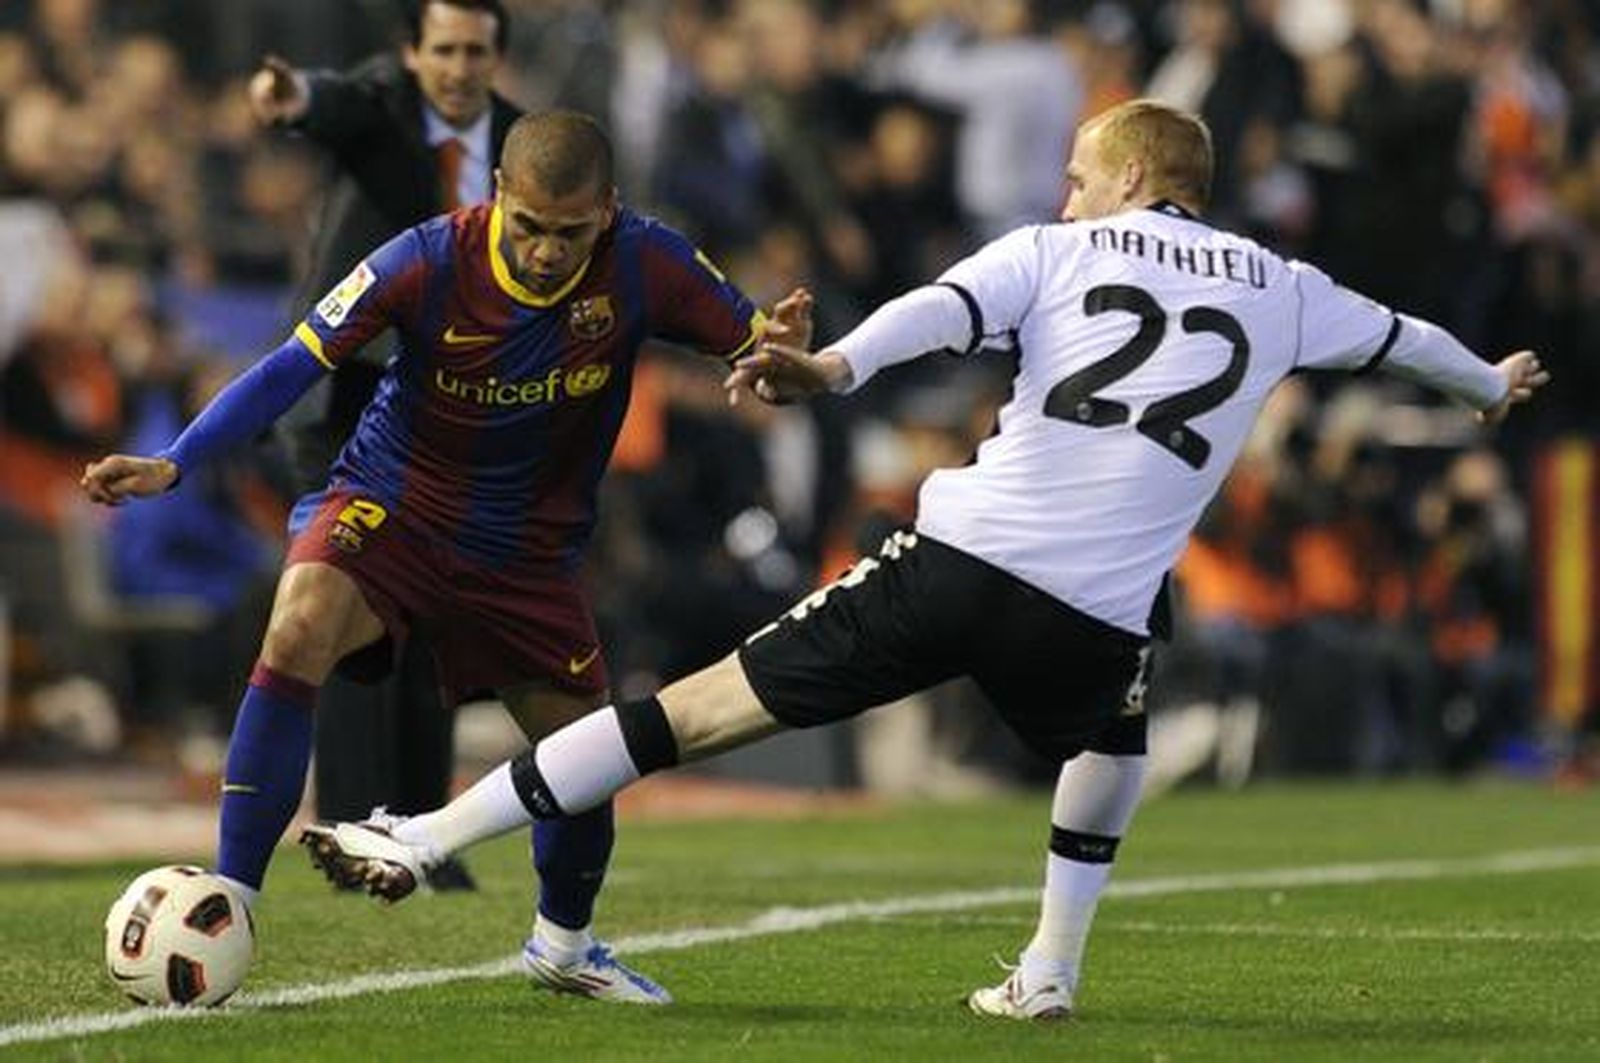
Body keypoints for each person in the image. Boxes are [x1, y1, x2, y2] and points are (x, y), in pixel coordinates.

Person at [299, 99, 1549, 1020]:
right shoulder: (1282, 284)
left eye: (1077, 176)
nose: (1066, 194)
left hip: (959, 560)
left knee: (690, 714)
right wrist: (1489, 385)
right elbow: (1409, 341)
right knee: (1114, 731)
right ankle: (1048, 969)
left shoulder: (1054, 250)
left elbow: (940, 314)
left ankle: (426, 835)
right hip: (1094, 618)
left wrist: (832, 366)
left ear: (1128, 175)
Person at [81, 109, 811, 1005]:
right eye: (529, 225)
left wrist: (784, 361)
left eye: (571, 232)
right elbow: (291, 366)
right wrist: (178, 460)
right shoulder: (424, 259)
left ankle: (565, 945)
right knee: (299, 621)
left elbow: (765, 355)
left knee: (584, 753)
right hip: (394, 506)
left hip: (527, 554)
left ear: (608, 210)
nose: (546, 251)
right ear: (497, 193)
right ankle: (228, 899)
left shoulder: (646, 260)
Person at [247, 0, 523, 890]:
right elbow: (330, 101)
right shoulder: (382, 106)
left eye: (475, 50)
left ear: (497, 58)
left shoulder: (523, 145)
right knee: (345, 606)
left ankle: (421, 836)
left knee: (432, 621)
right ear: (410, 53)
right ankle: (352, 833)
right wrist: (293, 97)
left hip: (450, 412)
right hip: (346, 399)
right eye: (443, 49)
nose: (458, 67)